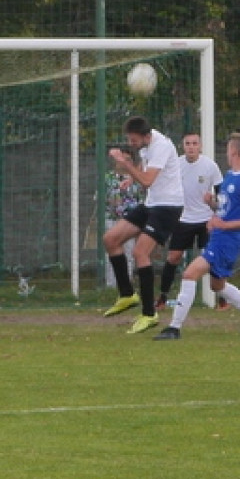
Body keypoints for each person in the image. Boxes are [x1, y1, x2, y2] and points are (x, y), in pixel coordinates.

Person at [153, 132, 240, 341]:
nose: (226, 153)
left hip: (228, 240)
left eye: (227, 149)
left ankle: (174, 328)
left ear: (233, 151)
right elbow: (227, 208)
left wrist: (225, 224)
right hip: (219, 236)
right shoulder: (231, 176)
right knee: (217, 285)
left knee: (189, 274)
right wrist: (212, 206)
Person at [102, 116, 184, 334]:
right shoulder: (148, 142)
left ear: (146, 137)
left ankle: (149, 314)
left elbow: (147, 180)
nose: (131, 144)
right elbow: (145, 168)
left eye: (134, 140)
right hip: (151, 204)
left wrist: (126, 164)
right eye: (129, 139)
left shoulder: (162, 146)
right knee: (111, 239)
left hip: (168, 207)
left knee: (140, 253)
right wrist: (132, 174)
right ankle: (128, 294)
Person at [155, 132, 224, 310]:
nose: (191, 147)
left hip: (205, 220)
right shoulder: (176, 165)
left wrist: (215, 208)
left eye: (195, 143)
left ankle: (222, 297)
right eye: (187, 143)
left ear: (200, 146)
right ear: (183, 146)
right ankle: (163, 297)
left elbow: (222, 195)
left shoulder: (210, 166)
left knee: (211, 259)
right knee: (173, 257)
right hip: (183, 219)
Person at [103, 167, 143, 286]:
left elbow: (140, 198)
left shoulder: (136, 178)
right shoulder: (108, 177)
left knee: (129, 251)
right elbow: (101, 196)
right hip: (112, 217)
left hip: (130, 219)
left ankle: (126, 283)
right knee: (110, 248)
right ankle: (111, 284)